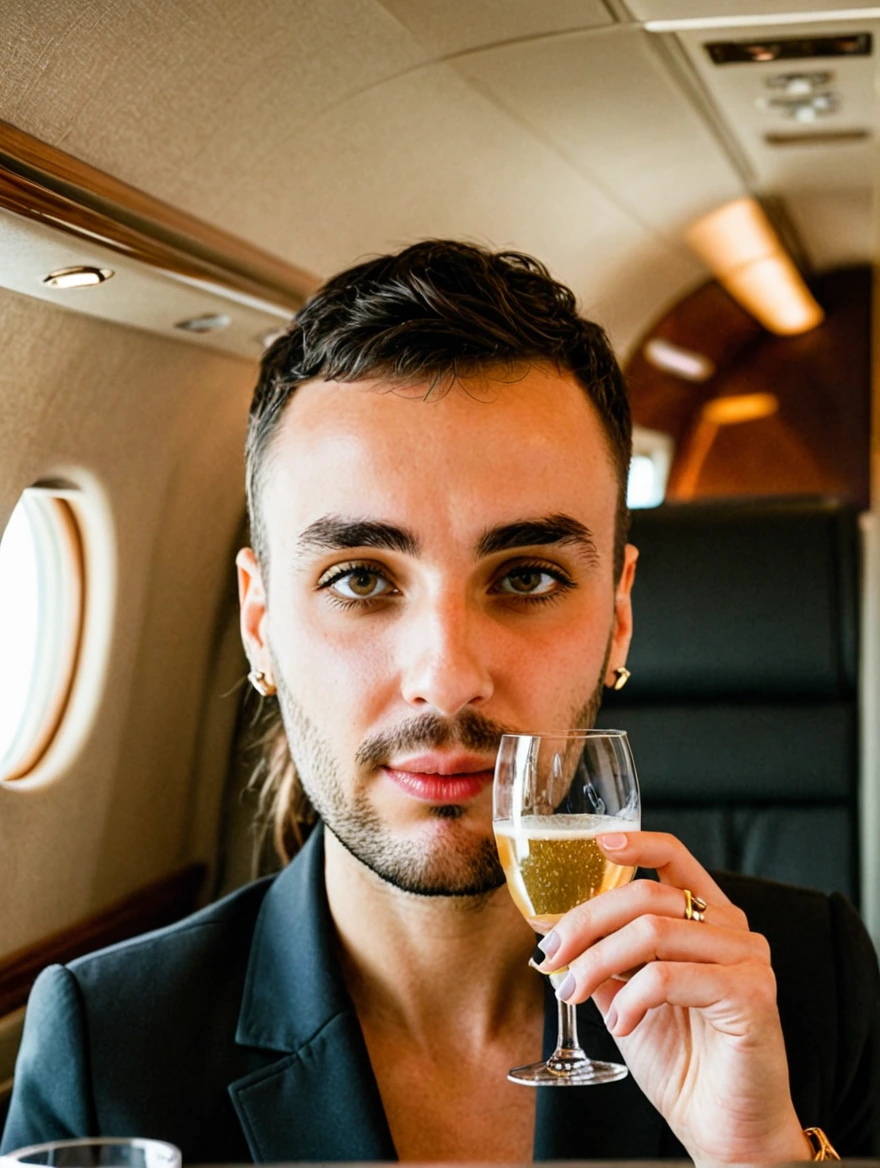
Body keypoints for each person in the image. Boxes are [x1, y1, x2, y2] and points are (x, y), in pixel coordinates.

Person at [3, 241, 879, 1165]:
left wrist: (762, 1156)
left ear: (618, 616)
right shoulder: (111, 1044)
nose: (448, 675)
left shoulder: (807, 986)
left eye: (528, 576)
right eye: (359, 580)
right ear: (261, 626)